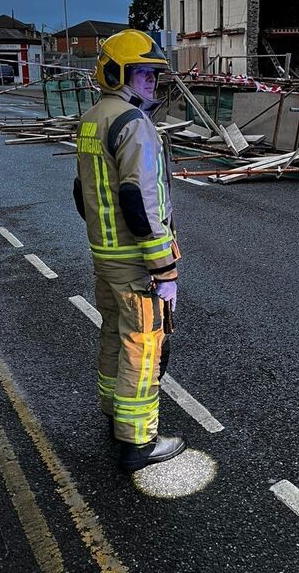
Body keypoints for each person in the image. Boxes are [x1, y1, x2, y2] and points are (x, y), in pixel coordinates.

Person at [73, 29, 185, 472]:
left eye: (154, 76)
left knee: (112, 335)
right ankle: (138, 441)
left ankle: (113, 412)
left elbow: (83, 194)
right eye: (144, 75)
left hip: (105, 255)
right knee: (144, 345)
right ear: (118, 73)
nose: (151, 84)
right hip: (137, 262)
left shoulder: (92, 117)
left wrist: (105, 241)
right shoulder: (134, 124)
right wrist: (164, 267)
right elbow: (140, 200)